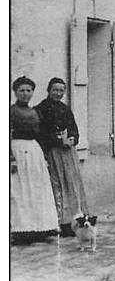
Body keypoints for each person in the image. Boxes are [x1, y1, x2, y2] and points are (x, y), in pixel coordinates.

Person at [35, 77, 88, 236]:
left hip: (68, 153)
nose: (58, 93)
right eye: (55, 90)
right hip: (52, 152)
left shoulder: (65, 109)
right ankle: (57, 221)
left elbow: (74, 129)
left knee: (72, 185)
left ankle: (73, 221)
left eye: (61, 90)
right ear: (48, 90)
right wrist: (57, 140)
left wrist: (72, 139)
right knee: (55, 186)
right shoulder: (40, 109)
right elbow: (39, 133)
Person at [10, 76, 59, 243]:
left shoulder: (35, 112)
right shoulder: (10, 111)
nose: (25, 94)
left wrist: (44, 155)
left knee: (37, 189)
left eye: (28, 90)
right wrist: (10, 159)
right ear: (15, 92)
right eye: (21, 90)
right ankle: (20, 229)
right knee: (20, 190)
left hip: (34, 152)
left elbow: (41, 135)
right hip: (17, 151)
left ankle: (40, 227)